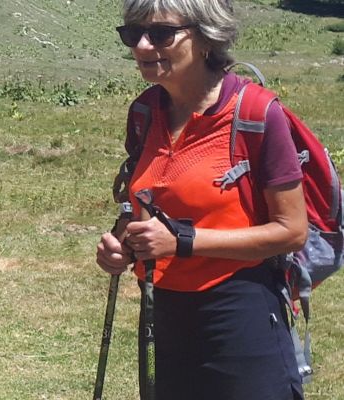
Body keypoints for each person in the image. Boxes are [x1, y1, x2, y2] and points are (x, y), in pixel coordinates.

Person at [94, 0, 308, 397]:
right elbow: (145, 205)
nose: (141, 46)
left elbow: (292, 231)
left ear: (207, 37)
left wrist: (183, 242)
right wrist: (121, 246)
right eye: (132, 34)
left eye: (160, 34)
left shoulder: (258, 113)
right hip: (164, 314)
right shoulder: (144, 112)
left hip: (241, 315)